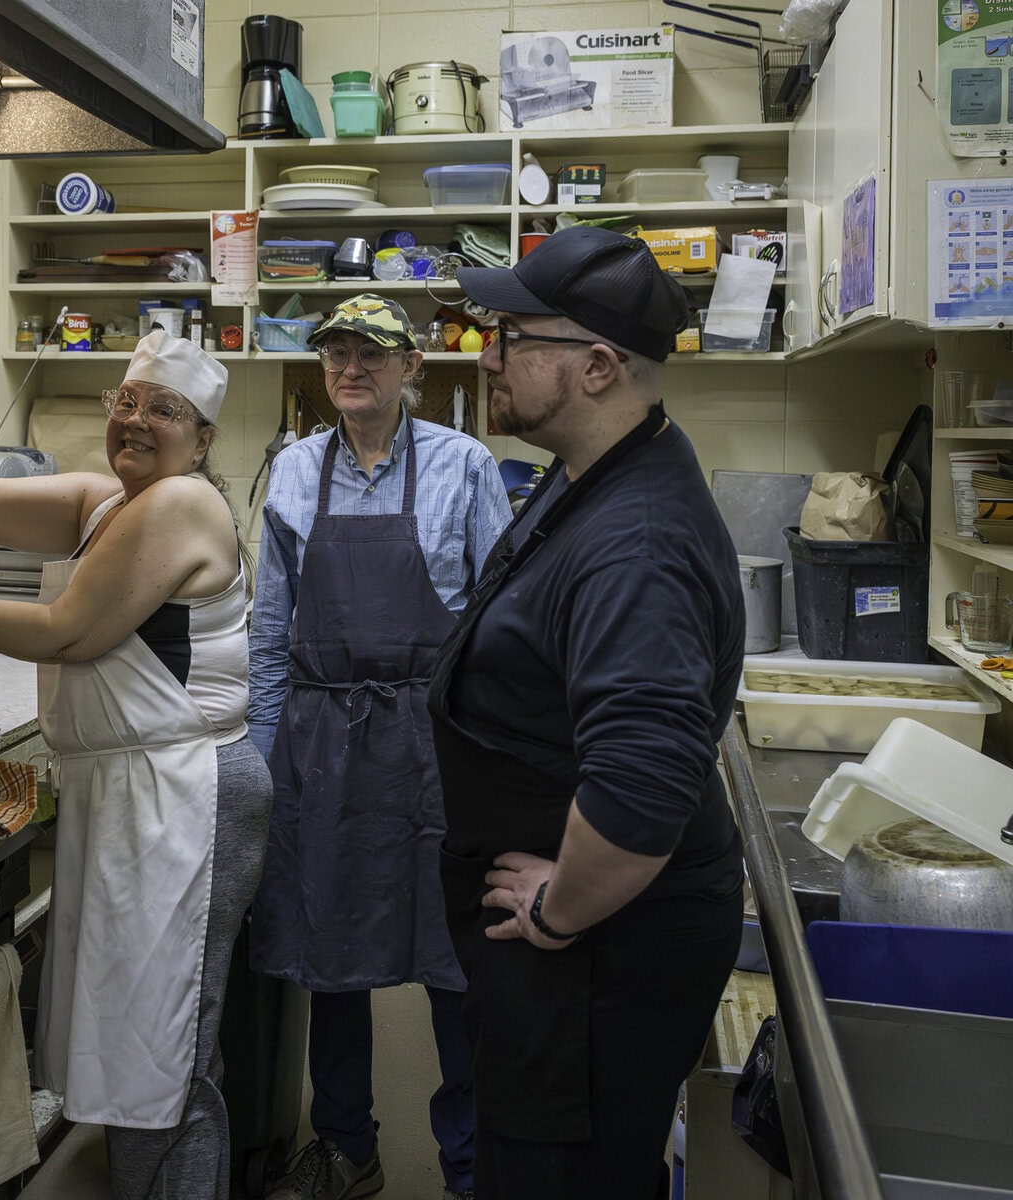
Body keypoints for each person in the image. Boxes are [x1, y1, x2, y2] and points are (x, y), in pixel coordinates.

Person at [0, 331, 271, 1200]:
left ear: (200, 440)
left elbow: (67, 632)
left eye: (165, 410)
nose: (137, 421)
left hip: (184, 798)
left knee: (164, 1051)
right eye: (127, 401)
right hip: (135, 793)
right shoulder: (103, 501)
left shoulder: (181, 505)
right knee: (136, 1040)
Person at [428, 225, 746, 1200]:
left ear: (598, 365)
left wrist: (557, 912)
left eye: (514, 337)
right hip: (572, 950)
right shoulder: (585, 475)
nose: (489, 355)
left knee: (565, 1178)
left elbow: (641, 790)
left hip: (596, 955)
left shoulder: (636, 543)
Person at [249, 294, 511, 1200]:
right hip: (321, 738)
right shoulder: (290, 471)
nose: (350, 368)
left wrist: (496, 764)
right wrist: (263, 753)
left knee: (455, 961)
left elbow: (497, 631)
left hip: (434, 741)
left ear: (414, 369)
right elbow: (270, 629)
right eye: (336, 354)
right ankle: (345, 1149)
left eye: (372, 353)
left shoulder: (464, 466)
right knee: (332, 957)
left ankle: (470, 1164)